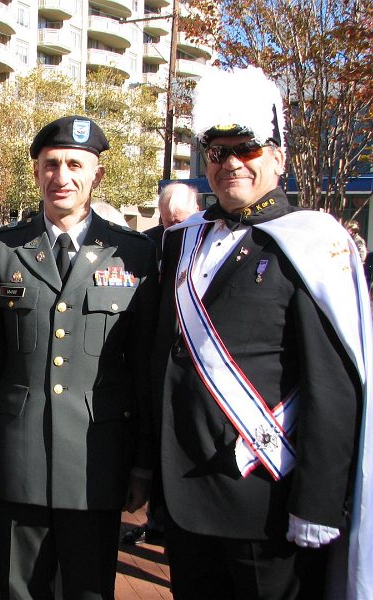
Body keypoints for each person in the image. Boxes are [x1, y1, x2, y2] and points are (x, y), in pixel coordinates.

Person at [152, 66, 371, 599]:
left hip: (266, 505)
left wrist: (317, 504)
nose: (230, 163)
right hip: (185, 499)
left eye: (245, 148)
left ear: (278, 156)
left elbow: (333, 387)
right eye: (216, 150)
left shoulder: (313, 243)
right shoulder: (180, 242)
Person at [0, 115, 159, 599]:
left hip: (97, 459)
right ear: (36, 172)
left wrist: (141, 463)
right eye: (51, 164)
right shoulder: (1, 250)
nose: (62, 176)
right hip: (19, 458)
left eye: (75, 165)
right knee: (20, 589)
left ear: (96, 175)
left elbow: (142, 369)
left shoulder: (133, 255)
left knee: (89, 589)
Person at [120, 182, 200, 548]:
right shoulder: (150, 244)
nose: (172, 229)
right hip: (152, 355)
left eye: (178, 221)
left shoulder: (204, 242)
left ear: (196, 210)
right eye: (166, 221)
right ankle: (156, 520)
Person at [142, 182, 200, 257]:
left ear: (196, 211)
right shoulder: (148, 243)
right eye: (169, 223)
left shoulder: (209, 238)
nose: (175, 228)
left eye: (180, 222)